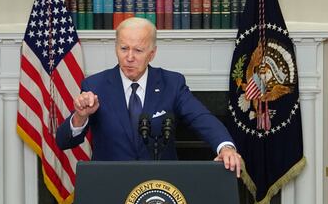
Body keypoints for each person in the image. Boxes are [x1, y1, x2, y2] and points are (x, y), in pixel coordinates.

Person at [56, 17, 242, 176]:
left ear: (151, 54)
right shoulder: (95, 86)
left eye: (138, 50)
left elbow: (201, 117)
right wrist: (81, 115)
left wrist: (225, 147)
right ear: (116, 49)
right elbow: (64, 142)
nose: (129, 57)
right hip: (111, 186)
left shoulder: (172, 83)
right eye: (123, 48)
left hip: (161, 189)